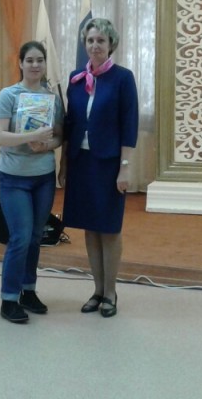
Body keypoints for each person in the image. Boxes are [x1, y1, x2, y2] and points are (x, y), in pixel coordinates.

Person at [60, 18, 138, 318]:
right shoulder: (76, 78)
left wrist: (125, 168)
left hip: (108, 164)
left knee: (109, 228)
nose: (95, 46)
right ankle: (96, 289)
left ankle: (110, 292)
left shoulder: (123, 78)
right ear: (85, 44)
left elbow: (129, 126)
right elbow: (70, 125)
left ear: (111, 45)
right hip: (81, 163)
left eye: (101, 41)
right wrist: (64, 164)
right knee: (90, 229)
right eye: (90, 40)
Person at [0, 40, 65, 324]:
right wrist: (31, 137)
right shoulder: (8, 95)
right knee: (20, 237)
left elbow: (59, 137)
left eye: (40, 60)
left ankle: (28, 291)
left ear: (45, 64)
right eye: (30, 60)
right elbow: (0, 136)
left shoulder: (52, 99)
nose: (35, 65)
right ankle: (8, 299)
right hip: (13, 177)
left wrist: (46, 146)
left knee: (35, 237)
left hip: (43, 177)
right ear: (21, 63)